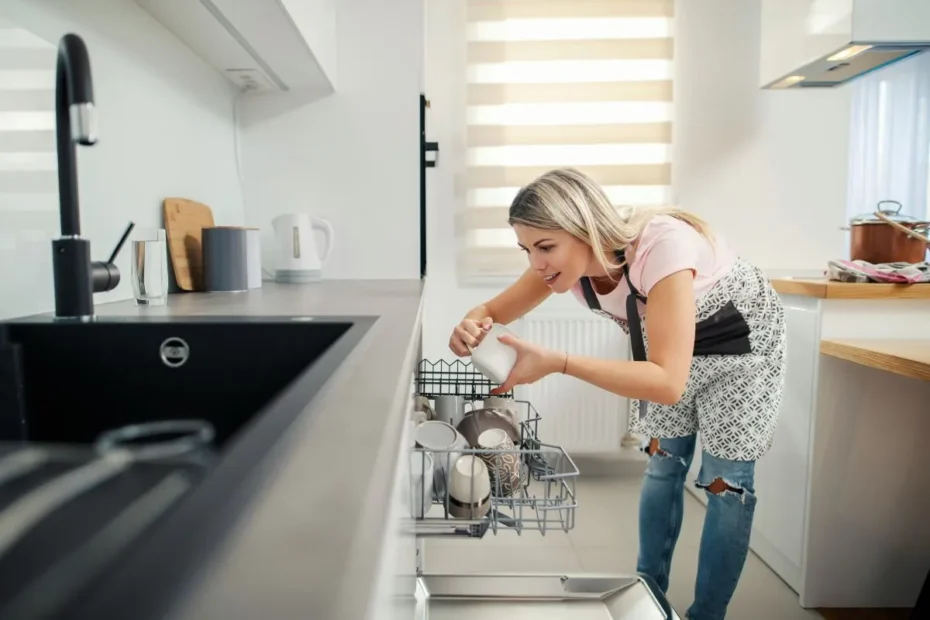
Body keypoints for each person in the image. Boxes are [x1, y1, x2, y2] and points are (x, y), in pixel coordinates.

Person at [448, 168, 786, 620]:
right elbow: (491, 310)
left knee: (725, 486)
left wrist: (560, 362)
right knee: (664, 465)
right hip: (668, 347)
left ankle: (707, 615)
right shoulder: (563, 266)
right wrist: (469, 325)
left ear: (584, 228)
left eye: (545, 247)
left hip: (742, 346)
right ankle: (648, 600)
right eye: (527, 249)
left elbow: (667, 383)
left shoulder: (663, 247)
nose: (536, 263)